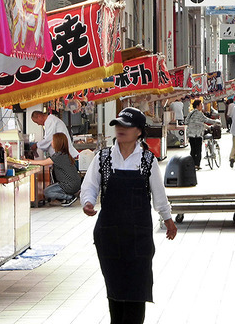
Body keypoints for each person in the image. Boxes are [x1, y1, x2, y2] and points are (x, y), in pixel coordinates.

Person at [81, 108, 177, 324]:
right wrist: (87, 202)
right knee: (115, 290)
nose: (121, 129)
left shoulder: (147, 160)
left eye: (127, 126)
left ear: (139, 132)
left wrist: (168, 219)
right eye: (118, 125)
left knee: (137, 290)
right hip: (109, 236)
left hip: (138, 236)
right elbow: (90, 186)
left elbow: (159, 196)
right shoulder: (103, 157)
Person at [26, 133, 81, 207]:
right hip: (74, 184)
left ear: (58, 143)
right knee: (51, 188)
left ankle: (69, 197)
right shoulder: (65, 154)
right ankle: (67, 197)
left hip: (69, 185)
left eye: (53, 140)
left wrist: (27, 161)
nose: (51, 142)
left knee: (47, 192)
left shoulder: (59, 156)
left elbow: (43, 163)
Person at [185, 100, 221, 170]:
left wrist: (194, 123)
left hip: (190, 134)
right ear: (197, 106)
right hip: (198, 134)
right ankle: (197, 165)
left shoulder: (191, 113)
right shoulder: (199, 113)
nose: (202, 106)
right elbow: (206, 120)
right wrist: (216, 122)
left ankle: (192, 164)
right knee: (198, 150)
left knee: (193, 150)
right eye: (201, 105)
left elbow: (186, 121)